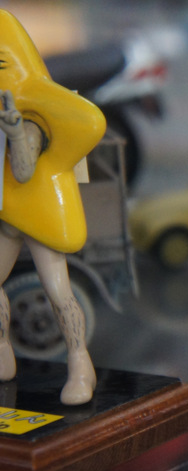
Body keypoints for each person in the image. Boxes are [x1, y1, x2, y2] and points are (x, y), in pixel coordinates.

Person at [0, 10, 106, 405]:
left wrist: (15, 132)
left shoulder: (30, 118)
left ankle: (80, 364)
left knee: (58, 290)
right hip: (9, 214)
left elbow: (24, 170)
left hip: (41, 215)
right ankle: (3, 350)